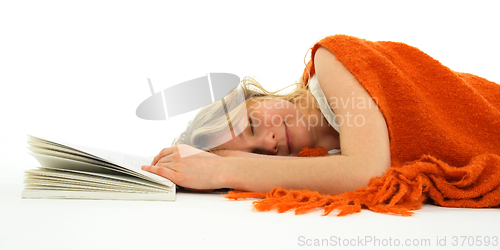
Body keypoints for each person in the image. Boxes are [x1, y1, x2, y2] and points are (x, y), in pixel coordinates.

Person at [141, 43, 392, 195]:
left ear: (256, 97)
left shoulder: (329, 61)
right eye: (256, 157)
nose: (269, 143)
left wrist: (224, 168)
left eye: (251, 125)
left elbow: (371, 174)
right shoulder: (323, 169)